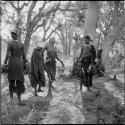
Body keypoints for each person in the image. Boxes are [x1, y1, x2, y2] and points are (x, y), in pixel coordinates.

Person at [3, 29, 27, 105]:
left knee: (11, 81)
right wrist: (26, 63)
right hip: (19, 63)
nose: (12, 36)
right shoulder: (21, 44)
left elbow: (7, 54)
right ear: (17, 36)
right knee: (19, 81)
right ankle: (19, 100)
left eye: (12, 35)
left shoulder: (10, 44)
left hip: (12, 63)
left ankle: (11, 99)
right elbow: (23, 56)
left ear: (13, 36)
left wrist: (4, 63)